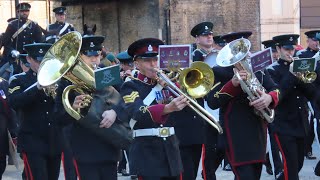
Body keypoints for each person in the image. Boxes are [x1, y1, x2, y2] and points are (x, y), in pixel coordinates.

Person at [206, 31, 280, 180]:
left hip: (257, 131)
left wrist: (268, 98)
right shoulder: (218, 71)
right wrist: (232, 84)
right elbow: (212, 102)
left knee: (254, 175)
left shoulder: (258, 69)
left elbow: (276, 89)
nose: (243, 55)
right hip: (235, 134)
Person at [54, 35, 129, 180]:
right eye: (89, 55)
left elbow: (127, 99)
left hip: (110, 145)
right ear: (79, 56)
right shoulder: (67, 80)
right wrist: (73, 108)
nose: (95, 60)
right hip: (85, 148)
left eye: (98, 55)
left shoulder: (108, 74)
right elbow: (58, 117)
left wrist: (115, 112)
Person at [121, 38, 187, 180]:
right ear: (137, 64)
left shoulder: (169, 83)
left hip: (171, 152)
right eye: (147, 61)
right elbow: (137, 112)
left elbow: (189, 105)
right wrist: (167, 108)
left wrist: (176, 87)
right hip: (146, 155)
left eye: (156, 60)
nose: (153, 64)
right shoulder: (130, 86)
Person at [267, 34, 320, 180]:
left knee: (298, 165)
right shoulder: (272, 70)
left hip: (301, 124)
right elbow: (278, 95)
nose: (290, 52)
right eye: (287, 49)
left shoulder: (300, 67)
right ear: (278, 49)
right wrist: (291, 75)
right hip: (283, 125)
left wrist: (303, 79)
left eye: (293, 49)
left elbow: (313, 95)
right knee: (291, 168)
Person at [7, 43, 64, 180]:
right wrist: (37, 87)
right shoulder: (19, 80)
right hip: (32, 141)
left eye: (44, 61)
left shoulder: (58, 80)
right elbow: (14, 102)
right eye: (38, 60)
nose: (41, 64)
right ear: (28, 59)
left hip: (54, 140)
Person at [296, 30, 320, 160]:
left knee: (312, 122)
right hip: (309, 93)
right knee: (314, 121)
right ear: (308, 41)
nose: (317, 43)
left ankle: (306, 148)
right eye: (314, 40)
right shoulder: (302, 54)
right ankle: (306, 148)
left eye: (318, 40)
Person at [2, 3, 43, 75]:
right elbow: (6, 42)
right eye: (22, 11)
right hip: (15, 58)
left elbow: (40, 42)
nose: (24, 13)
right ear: (18, 12)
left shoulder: (34, 25)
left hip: (29, 58)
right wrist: (12, 51)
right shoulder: (12, 25)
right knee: (7, 75)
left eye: (26, 11)